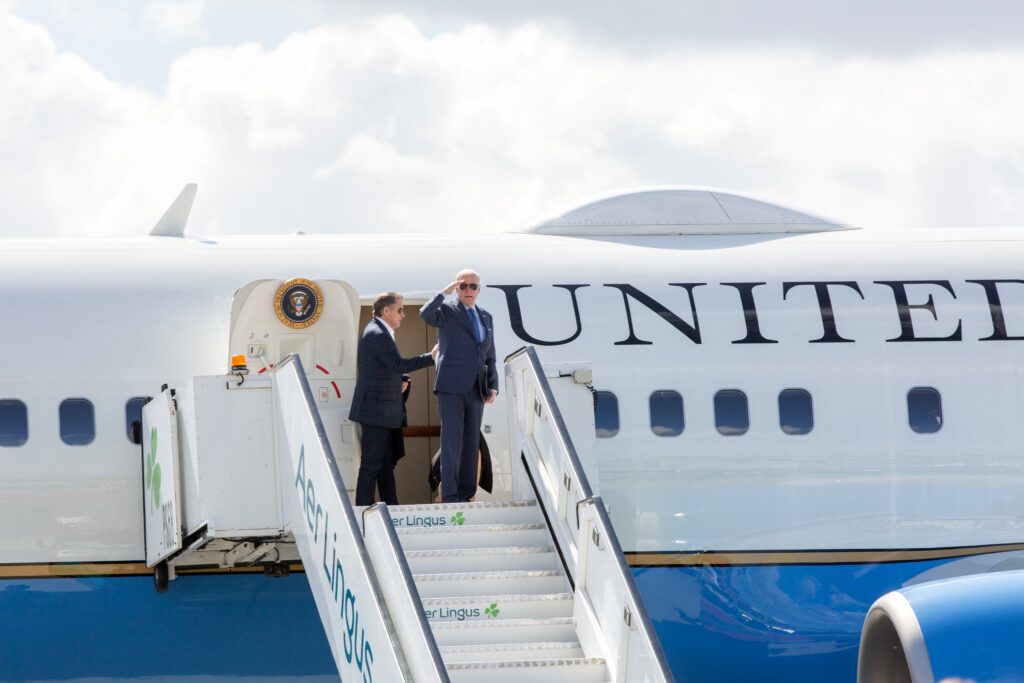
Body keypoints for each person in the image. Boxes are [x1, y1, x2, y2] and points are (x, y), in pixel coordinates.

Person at [349, 292, 435, 506]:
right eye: (400, 310)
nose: (403, 315)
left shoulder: (379, 331)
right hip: (376, 412)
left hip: (384, 412)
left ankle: (392, 510)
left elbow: (385, 368)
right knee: (371, 466)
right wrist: (431, 357)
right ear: (385, 311)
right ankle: (362, 514)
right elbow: (397, 364)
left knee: (385, 465)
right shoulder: (377, 333)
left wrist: (400, 380)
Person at [420, 269, 498, 503]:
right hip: (451, 386)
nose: (468, 290)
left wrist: (493, 385)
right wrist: (443, 293)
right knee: (451, 441)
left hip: (477, 388)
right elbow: (425, 313)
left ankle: (466, 492)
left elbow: (489, 355)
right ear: (456, 288)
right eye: (463, 286)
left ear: (479, 289)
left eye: (473, 286)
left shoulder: (486, 317)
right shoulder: (446, 311)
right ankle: (451, 495)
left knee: (471, 442)